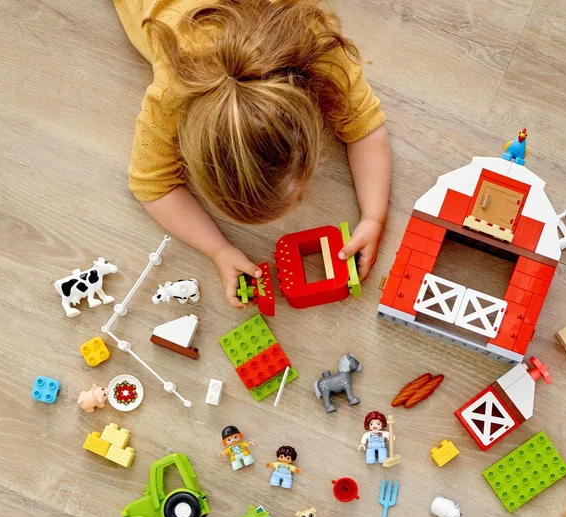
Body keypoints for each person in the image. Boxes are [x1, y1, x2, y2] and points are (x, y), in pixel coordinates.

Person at [113, 0, 390, 307]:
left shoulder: (315, 44)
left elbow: (366, 127)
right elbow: (151, 187)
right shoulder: (172, 93)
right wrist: (218, 249)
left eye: (299, 196)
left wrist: (374, 217)